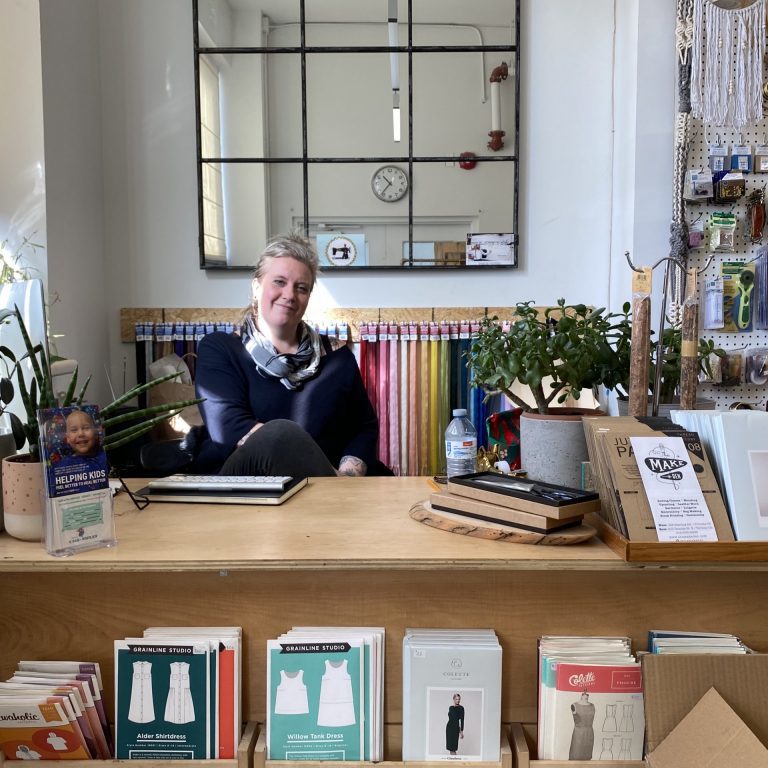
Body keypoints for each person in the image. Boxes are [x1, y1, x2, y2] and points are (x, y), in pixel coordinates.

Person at [190, 233, 381, 478]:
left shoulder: (337, 357)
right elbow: (229, 428)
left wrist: (347, 477)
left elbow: (363, 427)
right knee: (278, 433)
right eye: (279, 282)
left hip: (328, 492)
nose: (290, 295)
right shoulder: (220, 349)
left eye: (301, 288)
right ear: (256, 286)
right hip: (246, 487)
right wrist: (331, 484)